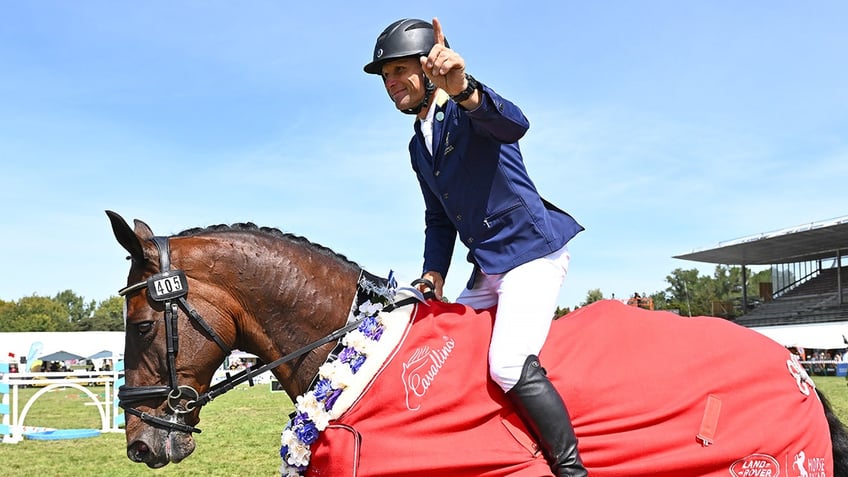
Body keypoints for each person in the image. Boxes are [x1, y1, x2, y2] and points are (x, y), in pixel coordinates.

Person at [364, 18, 586, 476]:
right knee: (449, 349)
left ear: (429, 70)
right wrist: (434, 273)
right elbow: (439, 218)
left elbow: (514, 124)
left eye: (400, 70)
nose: (391, 84)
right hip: (487, 268)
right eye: (385, 76)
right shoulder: (416, 145)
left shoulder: (469, 108)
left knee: (506, 365)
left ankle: (571, 470)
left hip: (531, 255)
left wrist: (464, 88)